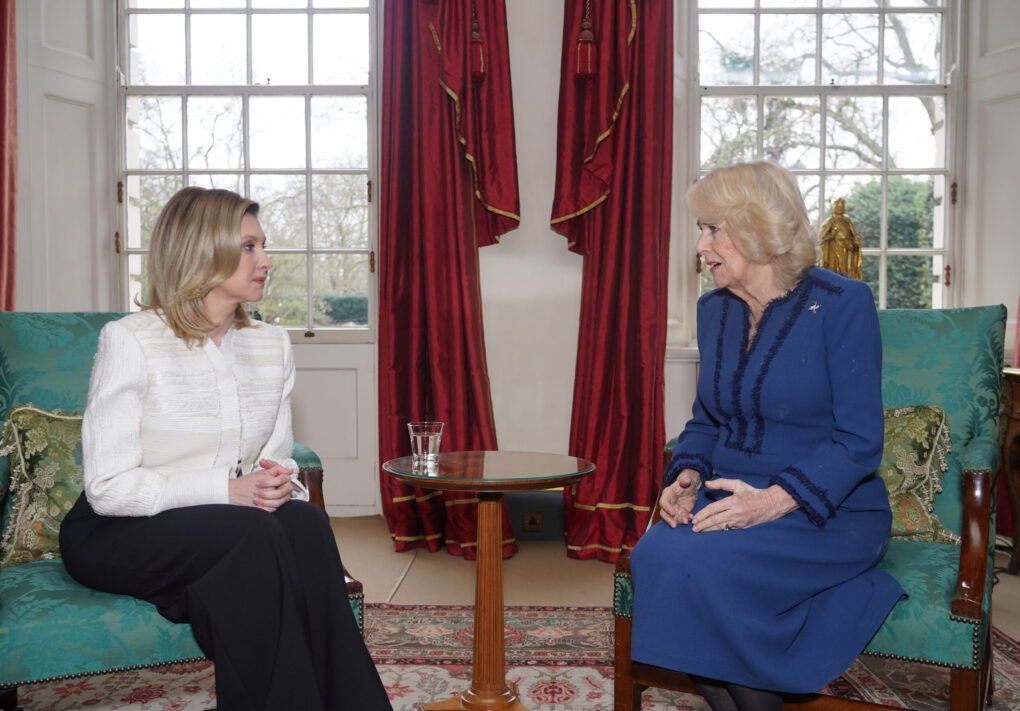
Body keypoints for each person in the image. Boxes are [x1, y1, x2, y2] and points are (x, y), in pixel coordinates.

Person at [59, 187, 392, 711]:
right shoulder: (131, 340)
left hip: (227, 525)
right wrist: (227, 490)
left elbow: (276, 461)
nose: (266, 260)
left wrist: (279, 484)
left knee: (304, 525)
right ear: (201, 251)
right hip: (118, 528)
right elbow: (107, 488)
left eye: (263, 246)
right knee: (252, 538)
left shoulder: (270, 344)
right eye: (249, 247)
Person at [629, 162, 905, 711]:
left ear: (754, 228)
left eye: (711, 228)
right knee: (656, 556)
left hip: (827, 510)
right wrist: (688, 474)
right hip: (728, 498)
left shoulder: (842, 303)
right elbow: (708, 420)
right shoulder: (714, 310)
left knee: (706, 571)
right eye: (700, 229)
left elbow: (859, 441)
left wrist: (773, 502)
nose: (700, 246)